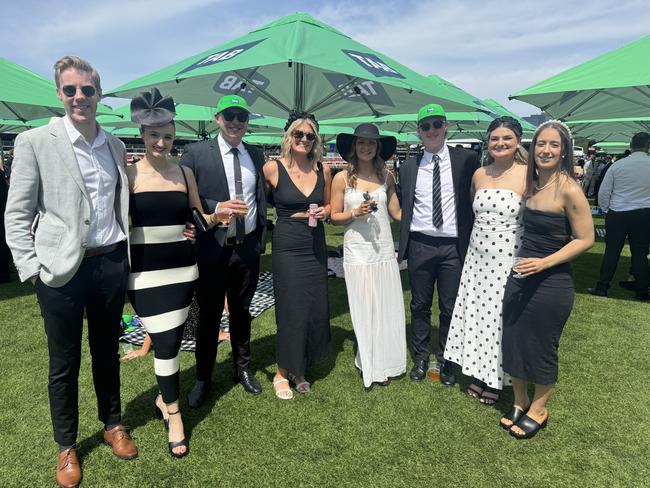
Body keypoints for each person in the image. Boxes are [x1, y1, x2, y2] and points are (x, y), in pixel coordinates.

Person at [4, 56, 137, 487]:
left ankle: (112, 422)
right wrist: (30, 270)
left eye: (87, 89)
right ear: (59, 94)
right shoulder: (35, 141)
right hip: (59, 271)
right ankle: (66, 445)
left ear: (98, 93)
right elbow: (17, 213)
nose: (80, 97)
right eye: (71, 90)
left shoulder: (115, 145)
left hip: (110, 261)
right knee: (63, 362)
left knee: (106, 352)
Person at [126, 88, 223, 457]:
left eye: (167, 136)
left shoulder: (184, 172)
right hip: (145, 274)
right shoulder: (129, 174)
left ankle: (164, 400)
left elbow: (198, 219)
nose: (161, 142)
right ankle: (175, 413)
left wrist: (218, 216)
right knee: (165, 343)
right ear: (143, 136)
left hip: (183, 271)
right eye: (154, 135)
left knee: (172, 342)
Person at [500, 120, 594, 439]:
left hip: (552, 281)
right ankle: (520, 400)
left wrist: (545, 262)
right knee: (512, 338)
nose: (546, 150)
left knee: (541, 345)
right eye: (541, 143)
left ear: (564, 150)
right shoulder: (532, 184)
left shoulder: (569, 188)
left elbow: (585, 238)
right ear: (533, 147)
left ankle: (539, 409)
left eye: (554, 145)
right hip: (521, 275)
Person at [180, 95, 267, 406]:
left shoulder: (256, 154)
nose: (235, 122)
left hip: (247, 248)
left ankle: (242, 369)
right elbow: (185, 197)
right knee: (209, 315)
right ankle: (203, 377)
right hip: (213, 248)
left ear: (247, 122)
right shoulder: (195, 153)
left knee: (242, 312)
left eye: (241, 117)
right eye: (229, 115)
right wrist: (216, 208)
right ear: (217, 118)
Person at [444, 117, 528, 404]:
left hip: (508, 259)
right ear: (487, 141)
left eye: (507, 138)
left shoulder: (529, 174)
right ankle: (479, 372)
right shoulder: (479, 174)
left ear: (518, 140)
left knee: (500, 319)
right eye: (495, 138)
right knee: (478, 315)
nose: (500, 143)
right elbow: (473, 210)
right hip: (477, 258)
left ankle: (498, 378)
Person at [396, 103, 479, 386]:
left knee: (450, 305)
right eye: (425, 126)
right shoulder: (408, 167)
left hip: (452, 246)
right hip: (420, 243)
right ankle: (420, 356)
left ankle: (446, 358)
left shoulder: (467, 160)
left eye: (436, 124)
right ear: (418, 131)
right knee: (419, 305)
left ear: (446, 126)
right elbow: (403, 205)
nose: (431, 130)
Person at [330, 123, 406, 389]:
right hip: (357, 251)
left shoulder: (387, 177)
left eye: (370, 143)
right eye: (361, 142)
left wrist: (426, 221)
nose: (365, 147)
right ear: (353, 146)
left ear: (378, 148)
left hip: (383, 249)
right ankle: (368, 361)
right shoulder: (342, 178)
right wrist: (354, 213)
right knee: (364, 306)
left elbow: (397, 213)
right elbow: (333, 217)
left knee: (385, 305)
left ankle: (384, 361)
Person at [262, 112, 332, 399]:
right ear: (289, 137)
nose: (304, 139)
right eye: (298, 134)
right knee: (291, 309)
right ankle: (282, 372)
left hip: (315, 241)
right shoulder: (272, 168)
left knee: (313, 307)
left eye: (310, 135)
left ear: (316, 141)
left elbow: (329, 206)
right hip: (288, 242)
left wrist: (326, 211)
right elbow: (260, 203)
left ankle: (300, 369)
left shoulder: (323, 170)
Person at [587, 132, 650, 301]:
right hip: (644, 213)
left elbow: (604, 192)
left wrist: (607, 210)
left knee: (612, 252)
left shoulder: (618, 165)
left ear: (631, 145)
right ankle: (642, 290)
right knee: (640, 253)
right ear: (648, 146)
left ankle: (602, 287)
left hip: (618, 213)